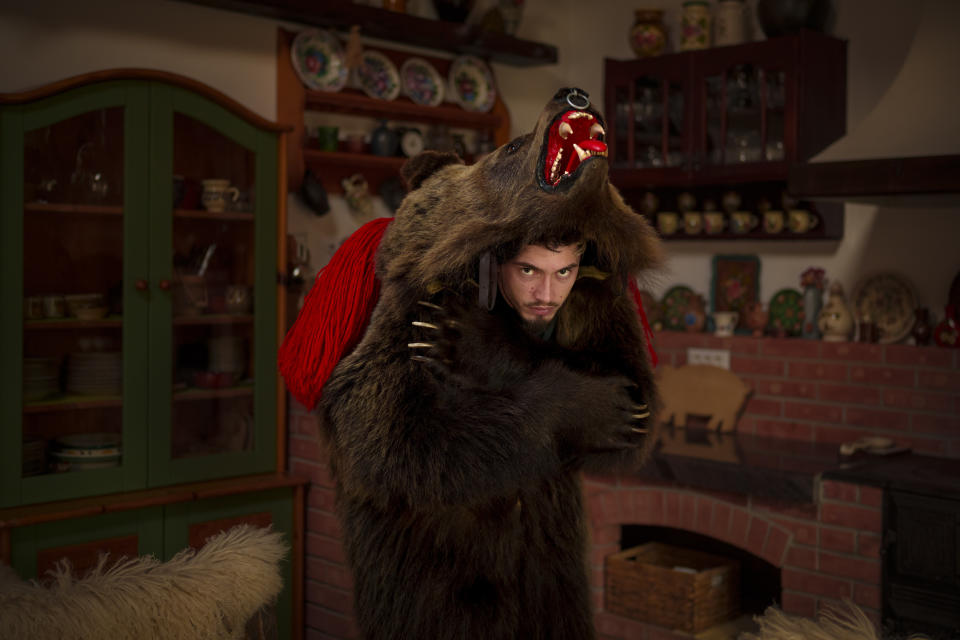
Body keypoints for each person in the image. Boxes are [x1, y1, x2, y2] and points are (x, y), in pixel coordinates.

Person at [282, 87, 664, 640]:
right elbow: (385, 459)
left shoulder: (589, 286)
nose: (547, 292)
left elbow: (627, 422)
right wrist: (548, 409)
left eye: (563, 271)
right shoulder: (425, 284)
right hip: (432, 584)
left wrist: (507, 365)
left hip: (544, 581)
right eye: (530, 270)